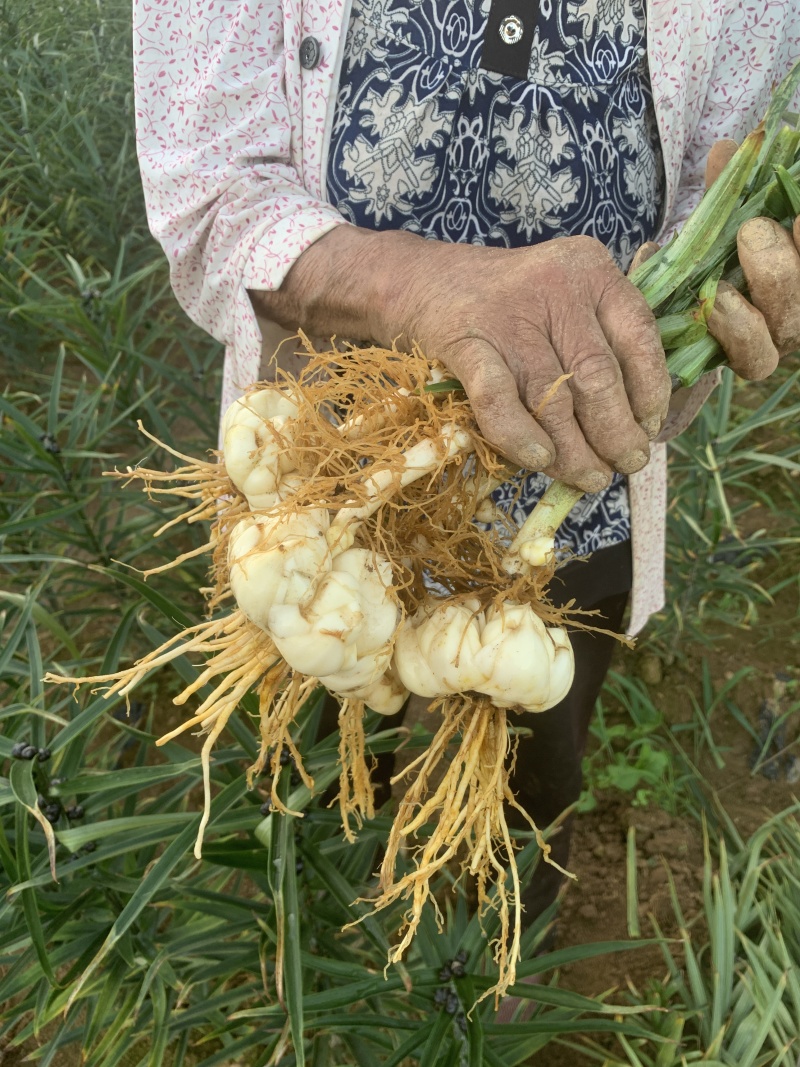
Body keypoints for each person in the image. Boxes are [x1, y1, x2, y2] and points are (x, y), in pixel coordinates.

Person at [133, 0, 800, 948]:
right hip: (321, 486)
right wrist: (426, 289)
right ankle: (308, 953)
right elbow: (210, 191)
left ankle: (480, 977)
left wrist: (734, 280)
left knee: (522, 783)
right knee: (303, 772)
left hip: (574, 505)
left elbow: (731, 183)